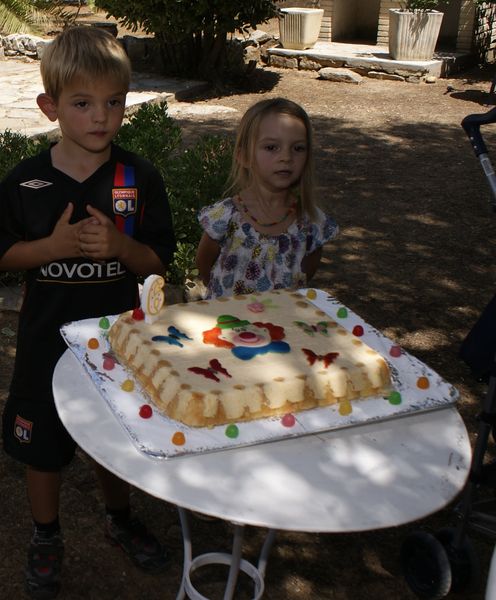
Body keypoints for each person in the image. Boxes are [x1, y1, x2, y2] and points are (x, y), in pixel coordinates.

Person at [0, 27, 176, 599]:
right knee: (43, 450)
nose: (101, 116)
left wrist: (122, 248)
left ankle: (119, 518)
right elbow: (3, 255)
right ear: (49, 106)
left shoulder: (138, 177)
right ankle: (45, 535)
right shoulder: (24, 183)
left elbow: (157, 262)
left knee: (112, 439)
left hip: (116, 348)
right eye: (82, 103)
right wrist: (50, 249)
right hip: (45, 347)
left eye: (113, 101)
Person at [196, 97, 338, 298]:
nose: (286, 157)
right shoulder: (224, 216)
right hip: (226, 318)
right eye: (271, 147)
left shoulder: (311, 224)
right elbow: (204, 266)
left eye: (298, 148)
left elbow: (307, 274)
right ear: (244, 156)